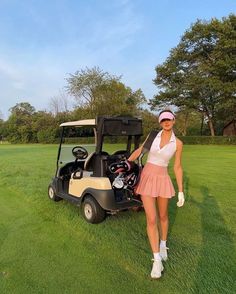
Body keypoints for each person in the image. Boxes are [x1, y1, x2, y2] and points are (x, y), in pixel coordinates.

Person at [128, 110, 185, 279]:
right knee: (151, 219)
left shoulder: (178, 143)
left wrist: (181, 190)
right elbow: (140, 150)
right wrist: (127, 162)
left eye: (169, 119)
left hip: (163, 179)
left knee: (163, 216)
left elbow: (177, 167)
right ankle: (156, 260)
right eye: (163, 120)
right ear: (160, 122)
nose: (166, 122)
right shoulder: (153, 136)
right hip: (147, 178)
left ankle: (163, 244)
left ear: (174, 121)